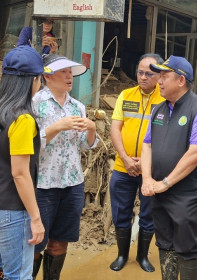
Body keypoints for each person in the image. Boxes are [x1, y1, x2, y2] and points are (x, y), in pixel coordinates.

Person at [141, 55, 197, 279]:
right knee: (164, 241)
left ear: (181, 80)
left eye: (164, 76)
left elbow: (196, 153)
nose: (159, 80)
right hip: (158, 191)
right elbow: (147, 146)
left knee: (187, 245)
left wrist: (166, 182)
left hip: (186, 193)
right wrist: (147, 179)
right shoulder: (158, 110)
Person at [31, 54, 98, 280]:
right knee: (35, 243)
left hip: (72, 184)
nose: (69, 76)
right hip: (42, 184)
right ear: (48, 76)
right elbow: (27, 144)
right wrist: (57, 127)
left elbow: (85, 146)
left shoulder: (77, 106)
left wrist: (91, 129)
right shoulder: (35, 104)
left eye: (70, 72)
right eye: (63, 72)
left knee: (59, 242)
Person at [109, 53, 165, 272]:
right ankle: (122, 255)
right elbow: (115, 128)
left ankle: (143, 257)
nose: (143, 77)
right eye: (140, 72)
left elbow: (169, 136)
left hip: (150, 170)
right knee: (121, 213)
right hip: (123, 168)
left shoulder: (165, 100)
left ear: (160, 75)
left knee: (148, 215)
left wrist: (145, 162)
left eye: (149, 74)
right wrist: (124, 157)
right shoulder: (126, 95)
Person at [0, 46, 51, 279]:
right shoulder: (22, 119)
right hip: (12, 209)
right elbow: (20, 174)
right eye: (40, 78)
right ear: (33, 81)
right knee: (18, 275)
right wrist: (36, 218)